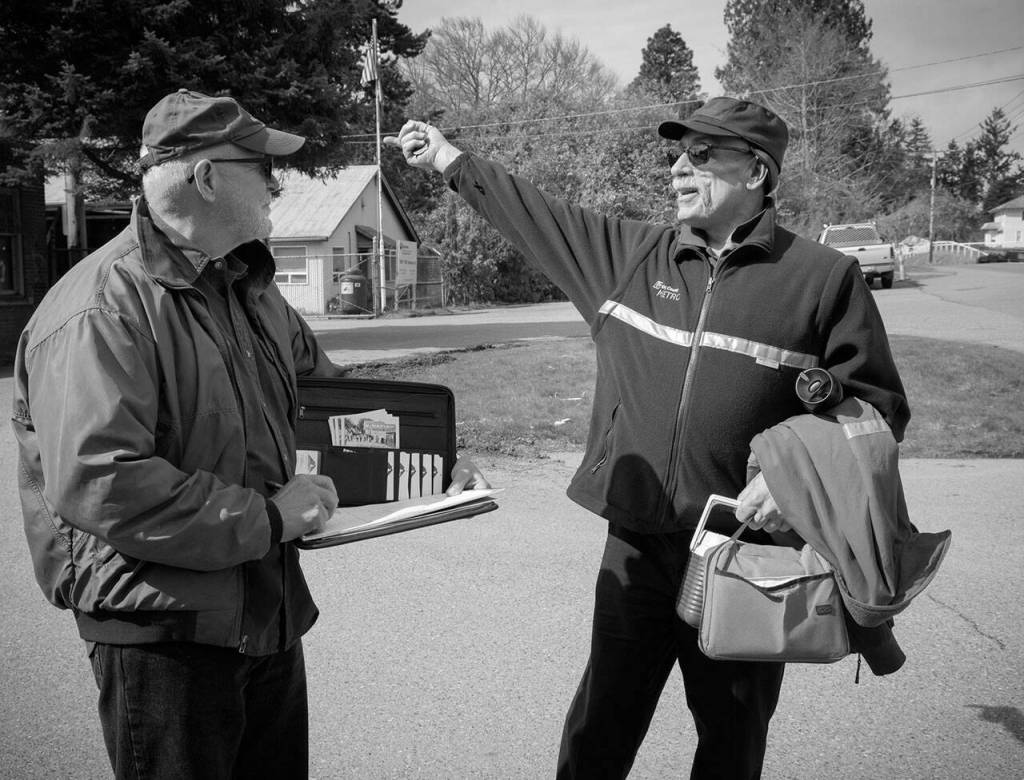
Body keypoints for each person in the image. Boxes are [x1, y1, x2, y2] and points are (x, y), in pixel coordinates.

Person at [386, 96, 909, 778]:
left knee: (732, 739)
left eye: (701, 155)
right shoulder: (632, 258)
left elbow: (875, 407)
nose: (678, 171)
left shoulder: (821, 279)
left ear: (757, 172)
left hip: (745, 554)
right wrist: (451, 159)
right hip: (634, 541)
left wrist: (794, 480)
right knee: (600, 731)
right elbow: (536, 216)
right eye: (676, 156)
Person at [12, 88, 488, 779]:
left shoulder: (247, 286)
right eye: (260, 164)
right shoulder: (100, 307)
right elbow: (102, 481)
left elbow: (328, 403)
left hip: (264, 613)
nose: (276, 181)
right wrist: (267, 516)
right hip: (164, 636)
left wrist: (436, 458)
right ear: (205, 177)